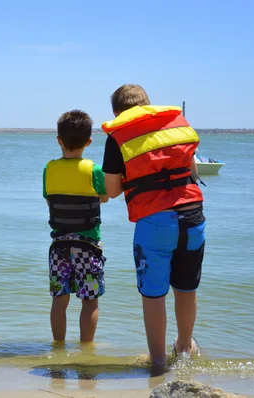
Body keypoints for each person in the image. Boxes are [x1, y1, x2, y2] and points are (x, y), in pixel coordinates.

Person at [101, 84, 206, 368]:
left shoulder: (118, 136)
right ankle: (184, 349)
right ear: (148, 104)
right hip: (193, 216)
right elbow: (192, 172)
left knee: (153, 294)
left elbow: (112, 191)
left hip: (155, 221)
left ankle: (158, 362)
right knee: (186, 289)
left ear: (117, 113)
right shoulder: (174, 126)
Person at [43, 110, 109, 344]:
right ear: (89, 141)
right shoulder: (95, 170)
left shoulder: (49, 169)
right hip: (87, 246)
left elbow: (50, 199)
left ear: (59, 140)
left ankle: (58, 347)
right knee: (89, 300)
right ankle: (86, 350)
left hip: (59, 246)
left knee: (59, 299)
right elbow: (105, 197)